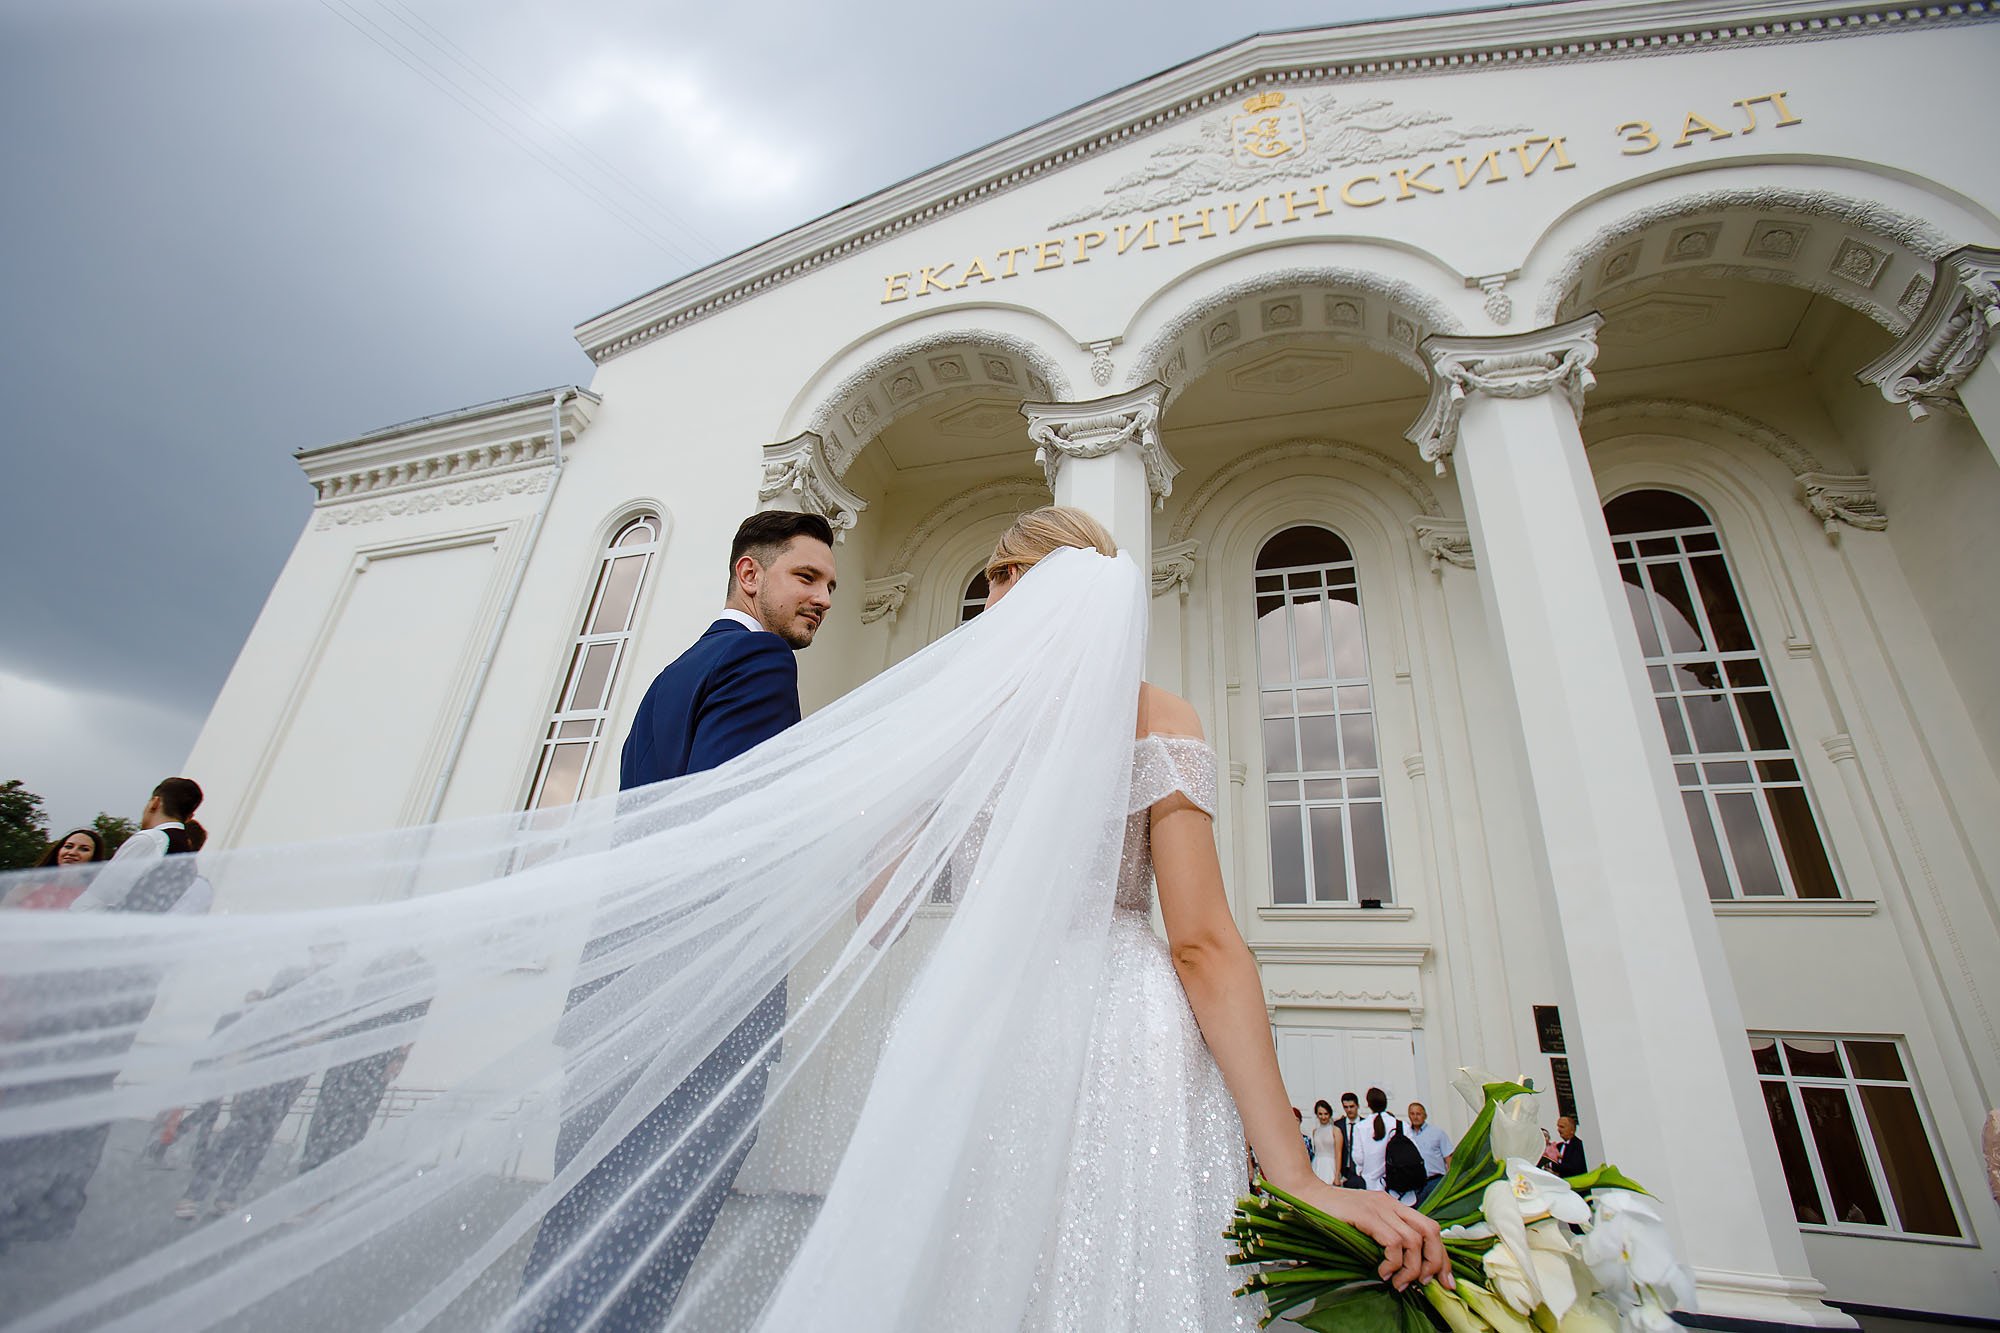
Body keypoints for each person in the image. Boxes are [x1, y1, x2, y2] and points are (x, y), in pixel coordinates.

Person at [520, 510, 838, 1332]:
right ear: (749, 574)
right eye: (806, 577)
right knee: (646, 1241)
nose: (824, 596)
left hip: (615, 983)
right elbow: (721, 832)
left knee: (575, 1233)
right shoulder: (760, 660)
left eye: (831, 584)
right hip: (695, 1004)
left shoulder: (673, 674)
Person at [69, 777, 208, 913]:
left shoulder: (151, 839)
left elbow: (102, 895)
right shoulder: (188, 859)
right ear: (189, 817)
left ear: (155, 802)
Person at [2, 828, 107, 910]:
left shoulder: (93, 896)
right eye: (69, 846)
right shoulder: (26, 888)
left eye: (84, 849)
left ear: (93, 858)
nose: (72, 853)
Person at [1406, 1102, 1453, 1201]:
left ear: (1425, 1115)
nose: (1415, 1117)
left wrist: (1450, 1181)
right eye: (1412, 1114)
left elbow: (1448, 1157)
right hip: (1414, 1186)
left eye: (1418, 1114)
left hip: (1435, 1181)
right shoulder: (1406, 1134)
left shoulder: (1437, 1133)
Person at [1309, 1099, 1344, 1185]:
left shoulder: (1335, 1130)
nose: (1323, 1117)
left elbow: (1338, 1153)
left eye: (1326, 1114)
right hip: (1317, 1165)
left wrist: (1337, 1175)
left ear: (1330, 1114)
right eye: (1320, 1114)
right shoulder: (1315, 1131)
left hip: (1330, 1166)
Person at [1337, 1090, 1365, 1187]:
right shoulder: (1338, 1125)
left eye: (1352, 1106)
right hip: (1346, 1170)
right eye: (1346, 1107)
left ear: (1357, 1106)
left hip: (1362, 1169)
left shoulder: (1365, 1124)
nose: (1349, 1110)